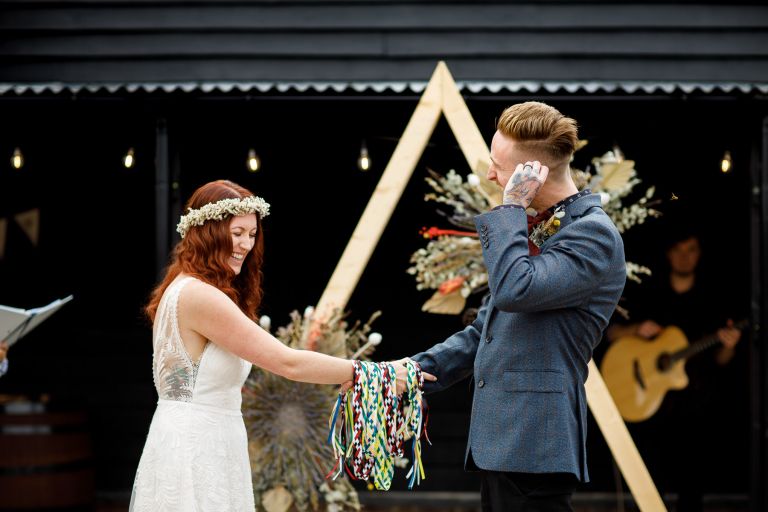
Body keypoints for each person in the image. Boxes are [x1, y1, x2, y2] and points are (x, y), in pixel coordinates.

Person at [130, 180, 426, 512]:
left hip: (190, 438)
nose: (245, 244)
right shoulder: (201, 296)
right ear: (207, 231)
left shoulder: (182, 287)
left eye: (252, 234)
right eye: (237, 232)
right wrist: (375, 374)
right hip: (198, 448)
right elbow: (288, 363)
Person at [406, 102, 626, 511]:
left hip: (535, 444)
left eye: (498, 165)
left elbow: (513, 290)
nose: (490, 174)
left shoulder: (593, 234)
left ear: (531, 174)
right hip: (507, 445)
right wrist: (410, 373)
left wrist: (510, 206)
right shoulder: (545, 225)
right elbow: (487, 329)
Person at [606, 229, 743, 512]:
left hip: (695, 404)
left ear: (699, 255)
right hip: (648, 404)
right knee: (647, 474)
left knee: (692, 475)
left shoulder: (712, 298)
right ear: (668, 254)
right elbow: (610, 333)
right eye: (678, 250)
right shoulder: (648, 291)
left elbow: (722, 360)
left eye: (690, 250)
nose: (684, 257)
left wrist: (729, 345)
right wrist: (635, 329)